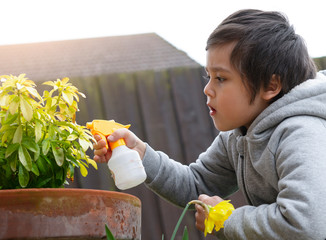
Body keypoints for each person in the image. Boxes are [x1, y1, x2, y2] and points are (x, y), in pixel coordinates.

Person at [93, 9, 326, 239]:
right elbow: (197, 185)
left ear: (270, 86)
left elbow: (306, 224)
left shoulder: (302, 133)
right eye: (209, 76)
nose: (207, 89)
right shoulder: (237, 136)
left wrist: (226, 220)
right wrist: (142, 154)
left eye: (221, 78)